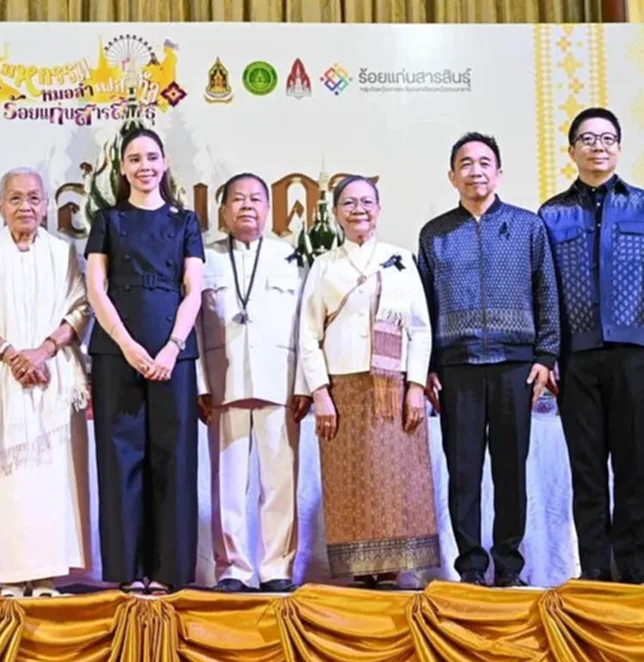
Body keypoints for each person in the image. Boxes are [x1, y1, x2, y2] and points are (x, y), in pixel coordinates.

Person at [417, 133, 560, 588]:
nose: (475, 171)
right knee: (463, 473)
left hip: (515, 365)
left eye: (484, 163)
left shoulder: (528, 227)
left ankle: (510, 566)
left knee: (510, 470)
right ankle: (471, 568)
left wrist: (546, 355)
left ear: (498, 173)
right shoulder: (435, 234)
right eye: (465, 163)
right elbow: (425, 306)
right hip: (456, 368)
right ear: (451, 175)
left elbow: (547, 292)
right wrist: (427, 366)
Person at [298, 175, 440, 588]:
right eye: (349, 203)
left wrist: (415, 387)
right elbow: (308, 333)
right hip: (342, 387)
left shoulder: (400, 259)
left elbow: (420, 329)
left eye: (366, 202)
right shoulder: (325, 265)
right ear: (336, 213)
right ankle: (360, 568)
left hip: (393, 386)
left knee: (396, 478)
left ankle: (396, 567)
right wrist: (320, 393)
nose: (358, 209)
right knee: (351, 479)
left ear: (379, 209)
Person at [85, 128, 205, 595]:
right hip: (117, 351)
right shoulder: (108, 219)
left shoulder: (185, 221)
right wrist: (126, 345)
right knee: (120, 459)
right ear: (121, 168)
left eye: (152, 157)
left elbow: (193, 291)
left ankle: (167, 570)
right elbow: (97, 289)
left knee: (173, 458)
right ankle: (127, 568)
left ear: (165, 162)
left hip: (173, 352)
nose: (144, 166)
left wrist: (173, 346)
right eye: (134, 159)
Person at [0, 168, 91, 598]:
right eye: (15, 198)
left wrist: (44, 350)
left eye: (34, 198)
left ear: (47, 205)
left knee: (53, 480)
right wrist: (12, 355)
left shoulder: (62, 252)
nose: (25, 207)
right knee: (12, 483)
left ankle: (47, 577)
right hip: (3, 379)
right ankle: (14, 576)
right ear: (0, 205)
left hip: (52, 377)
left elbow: (80, 309)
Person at [540, 107, 644, 584]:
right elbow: (544, 291)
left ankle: (634, 565)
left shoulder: (641, 205)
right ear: (572, 150)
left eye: (606, 139)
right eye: (587, 138)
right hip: (576, 358)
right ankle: (596, 568)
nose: (597, 146)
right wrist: (549, 355)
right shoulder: (551, 214)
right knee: (586, 468)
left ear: (618, 148)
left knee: (635, 464)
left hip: (634, 355)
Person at [196, 172, 310, 593]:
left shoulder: (291, 257)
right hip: (223, 383)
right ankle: (232, 569)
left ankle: (276, 567)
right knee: (227, 484)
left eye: (256, 199)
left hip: (279, 384)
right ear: (223, 211)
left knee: (279, 483)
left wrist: (303, 384)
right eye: (238, 199)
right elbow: (192, 326)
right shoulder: (204, 258)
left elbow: (305, 326)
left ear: (268, 208)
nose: (247, 206)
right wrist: (199, 384)